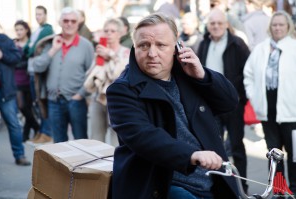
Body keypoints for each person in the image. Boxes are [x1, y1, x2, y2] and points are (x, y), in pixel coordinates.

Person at [106, 13, 240, 199]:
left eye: (161, 45)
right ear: (134, 47)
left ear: (177, 47)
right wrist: (192, 154)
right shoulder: (121, 90)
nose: (152, 53)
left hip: (213, 179)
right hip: (163, 185)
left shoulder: (188, 73)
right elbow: (143, 136)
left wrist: (202, 75)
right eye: (144, 45)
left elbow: (230, 102)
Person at [197, 8, 250, 193]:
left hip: (233, 104)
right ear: (208, 26)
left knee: (236, 146)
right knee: (214, 147)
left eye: (220, 23)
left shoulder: (237, 44)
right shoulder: (203, 43)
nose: (216, 26)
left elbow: (247, 72)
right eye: (212, 23)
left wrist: (241, 97)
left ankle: (242, 187)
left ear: (226, 24)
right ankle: (220, 187)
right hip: (210, 105)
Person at [243, 10, 296, 194]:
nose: (278, 28)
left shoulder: (294, 47)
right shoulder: (261, 49)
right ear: (270, 27)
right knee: (275, 157)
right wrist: (254, 96)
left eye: (281, 24)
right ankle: (280, 192)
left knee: (295, 156)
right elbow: (248, 74)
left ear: (288, 26)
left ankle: (294, 191)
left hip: (292, 115)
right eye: (274, 25)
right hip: (268, 114)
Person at [32, 7, 94, 143]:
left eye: (73, 21)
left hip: (76, 101)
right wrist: (53, 50)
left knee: (81, 142)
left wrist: (80, 95)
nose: (69, 24)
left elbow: (92, 74)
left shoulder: (86, 45)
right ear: (60, 22)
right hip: (53, 101)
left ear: (78, 23)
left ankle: (80, 165)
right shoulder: (50, 43)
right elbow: (37, 66)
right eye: (66, 20)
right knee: (59, 144)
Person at [84, 18, 130, 146]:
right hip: (98, 98)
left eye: (113, 31)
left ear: (120, 33)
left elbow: (119, 74)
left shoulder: (125, 52)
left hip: (117, 99)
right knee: (96, 137)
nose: (109, 34)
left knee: (116, 136)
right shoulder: (100, 51)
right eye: (106, 31)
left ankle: (116, 165)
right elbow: (91, 76)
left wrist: (110, 54)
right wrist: (99, 58)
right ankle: (97, 165)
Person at [0, 29, 30, 166]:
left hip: (5, 90)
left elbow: (17, 58)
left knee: (13, 124)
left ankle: (19, 155)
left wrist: (2, 55)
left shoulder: (4, 40)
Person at [24, 5, 54, 144]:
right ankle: (42, 131)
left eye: (40, 14)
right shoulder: (37, 30)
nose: (38, 17)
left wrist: (29, 49)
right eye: (36, 14)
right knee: (37, 104)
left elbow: (31, 49)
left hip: (39, 73)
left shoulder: (47, 29)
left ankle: (46, 133)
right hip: (31, 71)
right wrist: (28, 49)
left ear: (46, 15)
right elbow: (26, 48)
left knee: (42, 103)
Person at [14, 20, 40, 142]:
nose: (19, 32)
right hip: (17, 81)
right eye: (17, 30)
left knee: (28, 107)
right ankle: (36, 126)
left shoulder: (31, 44)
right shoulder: (13, 44)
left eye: (21, 29)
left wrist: (19, 64)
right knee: (22, 107)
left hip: (29, 79)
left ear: (26, 30)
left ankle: (25, 134)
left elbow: (32, 61)